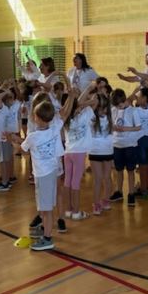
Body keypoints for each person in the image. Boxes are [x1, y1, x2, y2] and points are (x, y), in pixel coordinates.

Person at [10, 100, 65, 251]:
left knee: (46, 210)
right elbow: (63, 116)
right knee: (47, 207)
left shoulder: (33, 137)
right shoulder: (54, 128)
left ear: (38, 118)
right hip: (52, 172)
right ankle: (45, 229)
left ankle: (47, 238)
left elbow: (22, 150)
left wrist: (11, 140)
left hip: (43, 176)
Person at [118, 50, 148, 177]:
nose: (146, 63)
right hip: (141, 110)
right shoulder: (146, 72)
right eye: (146, 61)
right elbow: (135, 79)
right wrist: (124, 78)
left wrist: (136, 72)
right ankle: (142, 163)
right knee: (140, 135)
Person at [59, 84, 95, 220]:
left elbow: (74, 105)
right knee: (75, 183)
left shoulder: (64, 118)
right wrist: (88, 91)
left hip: (68, 152)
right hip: (79, 153)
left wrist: (76, 99)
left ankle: (68, 210)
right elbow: (95, 102)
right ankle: (76, 212)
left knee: (67, 181)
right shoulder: (85, 114)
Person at [108, 88, 142, 207]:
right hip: (117, 144)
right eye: (116, 106)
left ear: (124, 100)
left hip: (130, 145)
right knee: (118, 170)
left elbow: (138, 127)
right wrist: (113, 127)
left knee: (131, 170)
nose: (118, 107)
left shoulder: (133, 111)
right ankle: (119, 191)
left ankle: (131, 193)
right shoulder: (113, 110)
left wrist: (126, 129)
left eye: (120, 105)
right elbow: (110, 124)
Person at [89, 93, 113, 215]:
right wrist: (94, 101)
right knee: (98, 179)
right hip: (95, 152)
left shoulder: (110, 117)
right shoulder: (91, 117)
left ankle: (106, 200)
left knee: (107, 178)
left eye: (104, 107)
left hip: (108, 152)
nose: (103, 110)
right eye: (100, 107)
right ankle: (96, 203)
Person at [0, 87, 20, 191]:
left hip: (1, 139)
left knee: (2, 161)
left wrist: (5, 91)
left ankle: (4, 182)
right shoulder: (1, 110)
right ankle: (7, 178)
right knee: (5, 160)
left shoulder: (3, 109)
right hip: (3, 138)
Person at [132, 86, 148, 198]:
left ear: (145, 98)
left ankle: (143, 190)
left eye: (139, 96)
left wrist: (133, 92)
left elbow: (128, 101)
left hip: (140, 140)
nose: (136, 97)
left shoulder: (136, 111)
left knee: (142, 166)